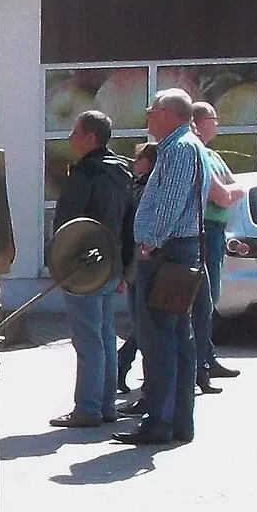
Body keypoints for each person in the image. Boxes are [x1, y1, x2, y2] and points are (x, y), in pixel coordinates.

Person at [116, 89, 209, 446]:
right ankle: (178, 422)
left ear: (169, 114)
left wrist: (150, 242)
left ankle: (159, 423)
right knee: (178, 340)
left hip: (167, 254)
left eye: (151, 111)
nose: (148, 118)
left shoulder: (179, 149)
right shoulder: (186, 146)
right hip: (178, 253)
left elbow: (169, 203)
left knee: (159, 341)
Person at [49, 109, 134, 427]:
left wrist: (60, 267)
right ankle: (107, 406)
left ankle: (87, 408)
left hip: (83, 269)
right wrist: (127, 269)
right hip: (112, 266)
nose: (71, 138)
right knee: (105, 335)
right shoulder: (123, 173)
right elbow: (130, 224)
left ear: (91, 138)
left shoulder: (84, 175)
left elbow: (68, 227)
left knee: (88, 339)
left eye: (76, 132)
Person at [189, 100, 245, 393]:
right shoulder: (197, 154)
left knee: (207, 300)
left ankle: (207, 358)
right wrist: (231, 190)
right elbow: (223, 195)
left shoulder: (212, 154)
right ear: (199, 122)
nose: (218, 122)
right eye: (213, 118)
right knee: (199, 301)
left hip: (215, 231)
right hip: (204, 230)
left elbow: (234, 186)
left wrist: (231, 189)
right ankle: (200, 365)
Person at [116, 140, 156, 398]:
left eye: (139, 158)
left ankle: (122, 364)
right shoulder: (139, 188)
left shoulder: (143, 189)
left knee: (146, 323)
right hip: (139, 263)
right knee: (145, 324)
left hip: (142, 263)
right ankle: (122, 364)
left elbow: (135, 233)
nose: (135, 163)